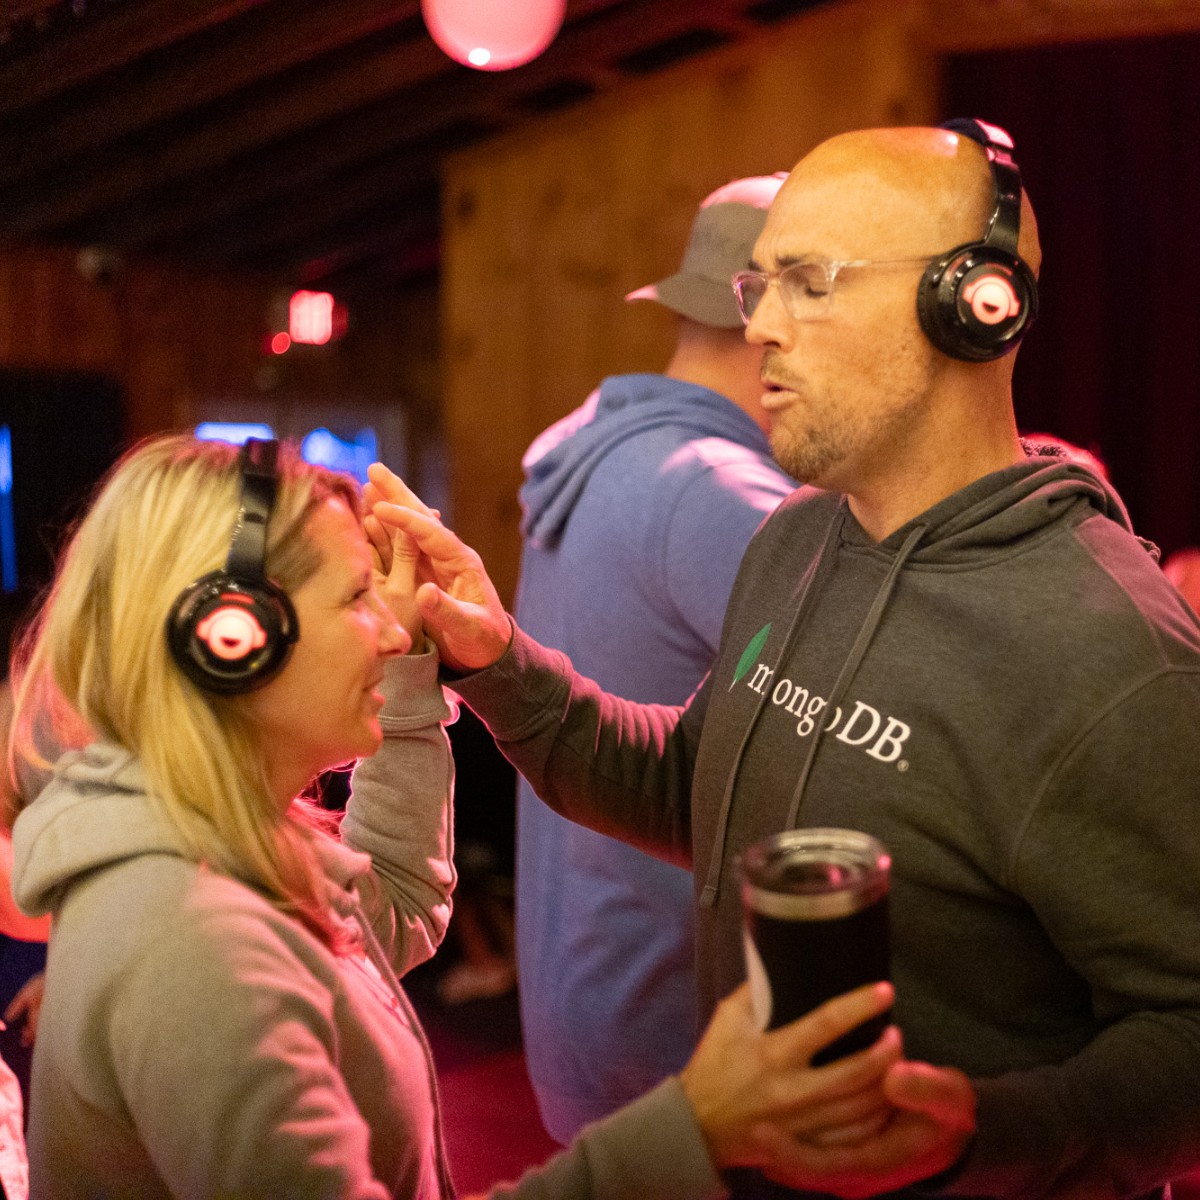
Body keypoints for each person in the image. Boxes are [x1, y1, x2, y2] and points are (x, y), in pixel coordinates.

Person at [369, 118, 1200, 1199]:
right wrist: (500, 662)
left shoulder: (1115, 658)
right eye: (762, 287)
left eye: (809, 282)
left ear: (976, 306)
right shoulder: (799, 540)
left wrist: (990, 1133)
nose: (760, 330)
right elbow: (697, 785)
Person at [6, 433, 911, 1199]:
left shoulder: (212, 842)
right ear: (234, 641)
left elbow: (393, 901)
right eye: (357, 599)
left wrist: (401, 685)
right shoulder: (194, 941)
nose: (398, 629)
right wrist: (693, 1128)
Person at [513, 173, 795, 1141]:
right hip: (674, 1023)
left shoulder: (604, 446)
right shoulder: (714, 490)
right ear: (773, 319)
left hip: (589, 987)